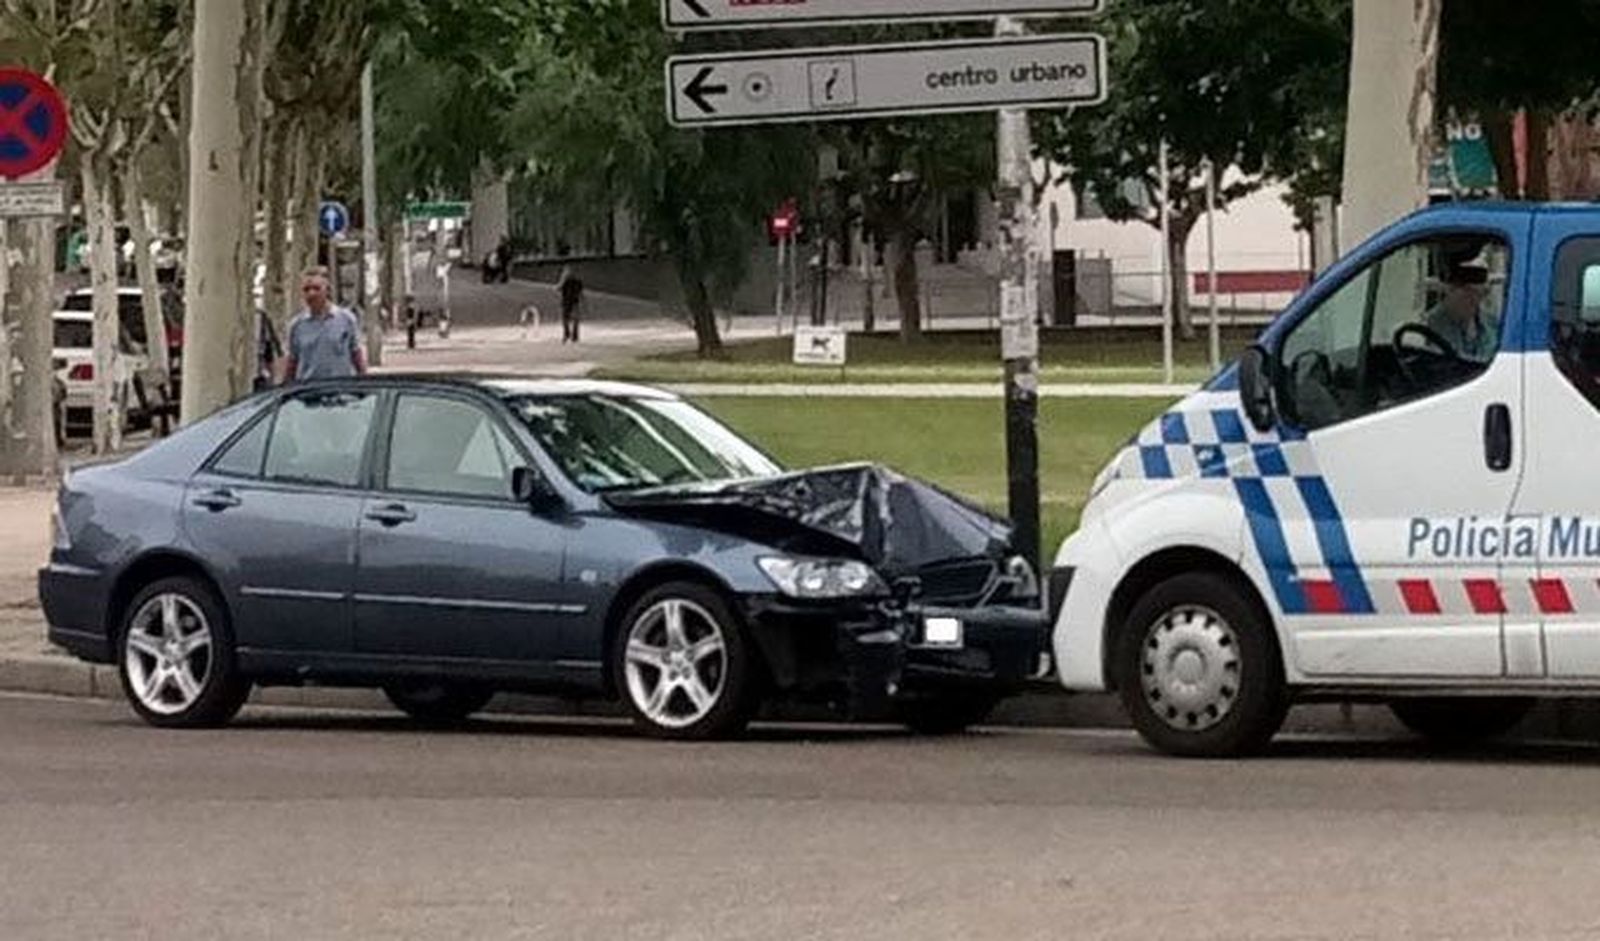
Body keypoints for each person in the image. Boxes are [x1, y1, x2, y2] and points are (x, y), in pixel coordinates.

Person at [282, 266, 367, 383]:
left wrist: (363, 383)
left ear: (327, 290)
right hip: (309, 392)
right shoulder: (297, 325)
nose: (311, 293)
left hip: (341, 391)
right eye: (306, 289)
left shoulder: (346, 319)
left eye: (317, 288)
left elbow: (356, 356)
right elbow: (292, 362)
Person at [1424, 258, 1498, 362]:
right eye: (1468, 292)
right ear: (1450, 290)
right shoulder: (1429, 325)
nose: (1474, 299)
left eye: (1480, 293)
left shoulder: (1493, 324)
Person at [558, 266, 585, 344]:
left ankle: (571, 335)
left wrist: (562, 279)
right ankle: (570, 335)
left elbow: (558, 288)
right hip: (569, 302)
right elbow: (581, 293)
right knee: (569, 320)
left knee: (571, 319)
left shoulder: (570, 281)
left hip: (571, 302)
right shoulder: (567, 282)